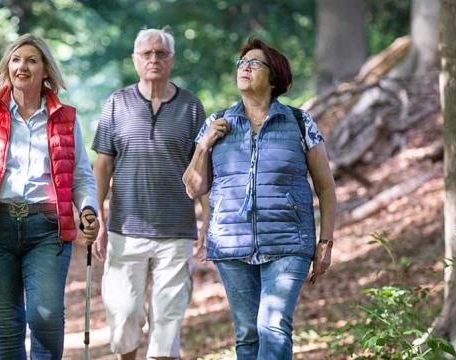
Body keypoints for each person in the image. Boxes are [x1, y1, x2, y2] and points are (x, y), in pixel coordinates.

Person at [182, 37, 337, 359]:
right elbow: (193, 187)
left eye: (254, 63)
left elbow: (325, 186)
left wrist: (326, 242)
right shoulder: (217, 123)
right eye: (241, 63)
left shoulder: (298, 122)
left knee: (274, 324)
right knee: (247, 333)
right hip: (232, 242)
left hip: (288, 242)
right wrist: (204, 145)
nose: (245, 68)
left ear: (274, 77)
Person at [0, 33, 100, 359]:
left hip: (46, 227)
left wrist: (88, 209)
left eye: (32, 60)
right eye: (16, 60)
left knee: (45, 317)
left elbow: (82, 177)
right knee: (5, 325)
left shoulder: (65, 117)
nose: (23, 66)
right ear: (7, 68)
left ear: (45, 69)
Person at [91, 28, 208, 360]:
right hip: (125, 230)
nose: (154, 59)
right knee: (125, 314)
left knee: (167, 322)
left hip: (177, 231)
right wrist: (98, 215)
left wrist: (208, 221)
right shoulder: (117, 103)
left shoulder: (191, 106)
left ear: (171, 60)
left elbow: (202, 170)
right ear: (135, 60)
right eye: (147, 54)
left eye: (161, 54)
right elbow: (102, 165)